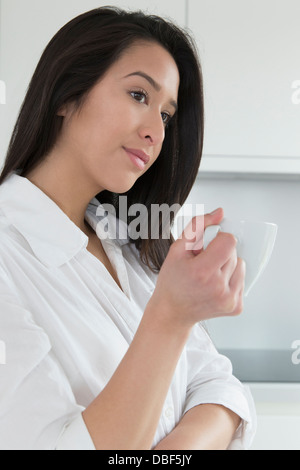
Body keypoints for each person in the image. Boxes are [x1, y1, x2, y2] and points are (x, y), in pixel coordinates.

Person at [0, 7, 256, 450]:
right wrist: (171, 317)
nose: (156, 130)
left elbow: (221, 389)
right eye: (139, 95)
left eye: (168, 115)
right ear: (65, 95)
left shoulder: (134, 248)